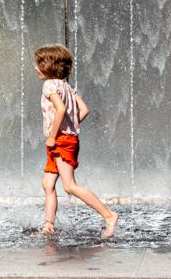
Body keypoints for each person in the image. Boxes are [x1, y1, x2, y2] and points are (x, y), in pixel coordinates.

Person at [33, 43, 118, 238]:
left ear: (49, 66)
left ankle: (109, 215)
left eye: (38, 64)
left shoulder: (49, 85)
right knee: (48, 183)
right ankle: (48, 226)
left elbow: (61, 110)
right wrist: (70, 127)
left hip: (60, 140)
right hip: (67, 138)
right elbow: (84, 110)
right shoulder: (67, 87)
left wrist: (54, 135)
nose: (35, 68)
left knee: (70, 186)